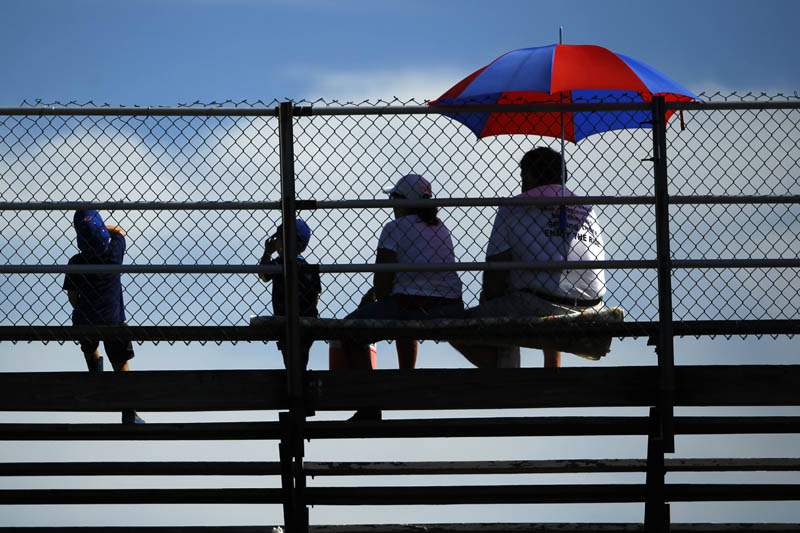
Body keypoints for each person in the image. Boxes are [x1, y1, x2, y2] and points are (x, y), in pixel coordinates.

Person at [452, 147, 607, 369]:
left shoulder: (513, 208)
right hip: (592, 305)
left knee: (455, 325)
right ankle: (552, 366)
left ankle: (506, 368)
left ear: (529, 176)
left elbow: (495, 274)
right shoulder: (587, 208)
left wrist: (489, 299)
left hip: (540, 303)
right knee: (546, 281)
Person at [342, 173, 464, 420]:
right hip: (450, 305)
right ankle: (406, 378)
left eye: (395, 198)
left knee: (350, 330)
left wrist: (377, 296)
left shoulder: (394, 228)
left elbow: (384, 282)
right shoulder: (441, 228)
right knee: (403, 308)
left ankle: (369, 404)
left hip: (412, 304)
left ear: (404, 202)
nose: (392, 204)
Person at [63, 210, 144, 425]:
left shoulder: (75, 262)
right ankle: (129, 411)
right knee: (121, 363)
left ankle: (94, 366)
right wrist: (102, 227)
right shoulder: (114, 252)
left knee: (88, 344)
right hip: (113, 320)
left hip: (85, 320)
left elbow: (72, 296)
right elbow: (120, 231)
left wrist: (82, 308)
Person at [258, 218, 321, 370]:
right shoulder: (310, 269)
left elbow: (264, 274)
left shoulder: (280, 263)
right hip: (308, 321)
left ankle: (295, 382)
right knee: (300, 359)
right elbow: (316, 295)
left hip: (284, 319)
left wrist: (267, 252)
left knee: (291, 361)